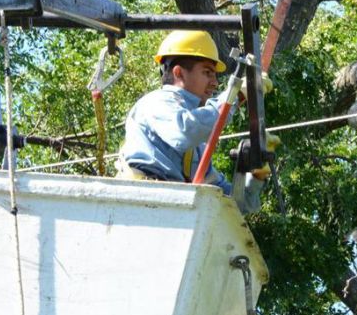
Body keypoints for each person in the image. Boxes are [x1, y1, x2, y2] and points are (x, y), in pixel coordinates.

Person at [117, 30, 274, 214]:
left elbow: (235, 204)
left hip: (172, 214)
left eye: (214, 75)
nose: (215, 83)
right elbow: (185, 131)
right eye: (207, 72)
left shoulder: (197, 145)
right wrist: (235, 96)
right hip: (140, 207)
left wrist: (257, 174)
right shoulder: (156, 103)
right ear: (179, 73)